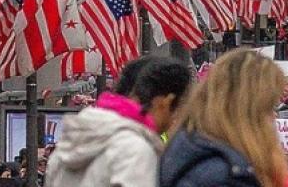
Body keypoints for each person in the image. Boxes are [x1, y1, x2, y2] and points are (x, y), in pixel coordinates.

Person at [48, 55, 194, 187]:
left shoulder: (72, 139)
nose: (177, 120)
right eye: (182, 107)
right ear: (166, 102)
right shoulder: (136, 151)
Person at [159, 48, 288, 187]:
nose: (273, 116)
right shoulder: (223, 176)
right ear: (246, 111)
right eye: (269, 107)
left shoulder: (190, 147)